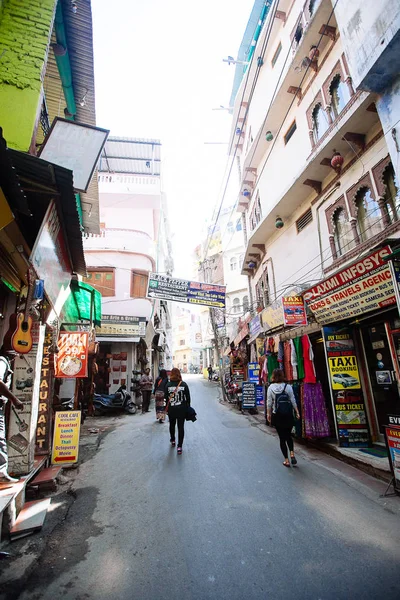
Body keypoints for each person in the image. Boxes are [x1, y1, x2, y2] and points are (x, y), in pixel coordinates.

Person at [267, 369, 300, 468]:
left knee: (282, 438)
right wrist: (297, 411)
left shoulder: (271, 388)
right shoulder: (288, 387)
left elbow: (269, 403)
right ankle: (292, 454)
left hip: (277, 415)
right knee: (289, 436)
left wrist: (268, 414)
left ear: (273, 376)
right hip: (288, 415)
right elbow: (293, 400)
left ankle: (286, 460)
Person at [0, 349, 24, 483]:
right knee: (0, 438)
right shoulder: (2, 362)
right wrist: (14, 399)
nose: (17, 355)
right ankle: (2, 471)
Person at [165, 367, 191, 455]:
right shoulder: (183, 384)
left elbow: (165, 397)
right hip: (181, 410)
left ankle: (172, 440)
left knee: (172, 425)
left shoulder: (168, 385)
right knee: (181, 427)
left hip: (171, 409)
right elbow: (188, 398)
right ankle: (179, 446)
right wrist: (187, 407)